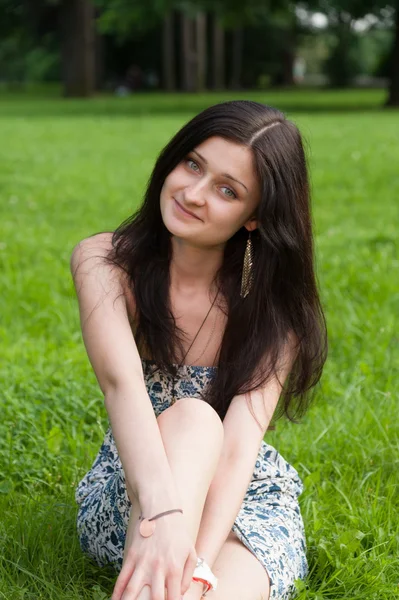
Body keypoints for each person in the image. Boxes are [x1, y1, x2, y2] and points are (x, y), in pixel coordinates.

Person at [70, 100, 327, 600]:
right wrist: (165, 518)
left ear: (254, 217)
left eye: (227, 190)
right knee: (193, 417)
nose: (193, 193)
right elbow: (122, 387)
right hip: (140, 486)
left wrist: (196, 559)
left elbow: (237, 450)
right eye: (193, 164)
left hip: (240, 499)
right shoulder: (104, 262)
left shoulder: (274, 311)